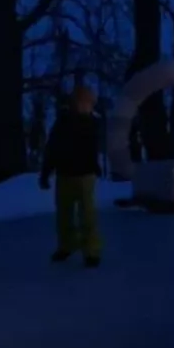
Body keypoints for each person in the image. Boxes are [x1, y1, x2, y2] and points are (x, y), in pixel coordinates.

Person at [41, 84, 105, 267]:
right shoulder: (64, 122)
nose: (89, 106)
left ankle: (91, 251)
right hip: (65, 175)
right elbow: (52, 148)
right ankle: (67, 245)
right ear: (77, 103)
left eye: (91, 104)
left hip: (85, 175)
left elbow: (91, 149)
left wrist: (95, 166)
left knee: (88, 215)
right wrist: (46, 172)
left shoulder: (92, 123)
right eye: (86, 103)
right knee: (64, 215)